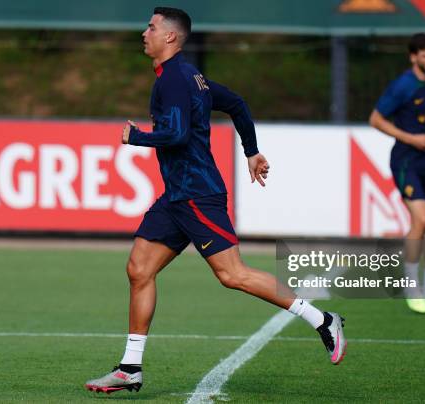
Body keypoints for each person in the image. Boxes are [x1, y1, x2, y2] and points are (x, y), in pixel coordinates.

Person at [85, 7, 346, 394]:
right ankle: (130, 368)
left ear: (170, 37)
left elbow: (175, 134)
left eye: (151, 27)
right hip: (177, 196)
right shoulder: (193, 77)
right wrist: (251, 151)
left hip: (197, 194)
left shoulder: (175, 78)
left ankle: (323, 320)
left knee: (232, 275)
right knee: (139, 269)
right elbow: (237, 103)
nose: (144, 33)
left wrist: (136, 137)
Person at [369, 33, 425, 317]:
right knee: (420, 219)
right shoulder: (403, 86)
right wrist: (410, 138)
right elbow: (375, 119)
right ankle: (412, 287)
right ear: (414, 57)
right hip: (406, 162)